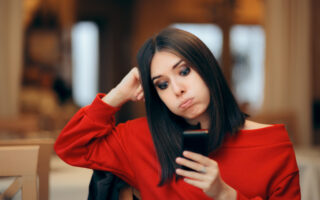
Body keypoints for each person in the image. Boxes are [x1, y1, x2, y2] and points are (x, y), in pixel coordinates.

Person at [54, 28, 301, 199]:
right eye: (162, 84)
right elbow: (70, 147)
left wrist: (225, 194)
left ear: (207, 68)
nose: (178, 90)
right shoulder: (140, 138)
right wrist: (117, 95)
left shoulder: (273, 146)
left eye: (184, 71)